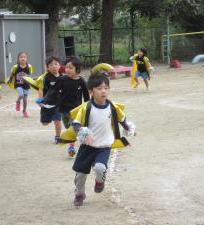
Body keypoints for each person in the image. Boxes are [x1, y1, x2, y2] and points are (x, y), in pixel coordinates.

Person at [58, 71, 136, 206]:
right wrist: (82, 131)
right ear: (91, 91)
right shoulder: (86, 107)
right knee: (80, 174)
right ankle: (80, 193)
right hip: (87, 146)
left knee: (100, 168)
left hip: (104, 147)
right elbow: (76, 123)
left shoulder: (113, 107)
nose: (103, 91)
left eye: (106, 88)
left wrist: (129, 129)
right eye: (99, 88)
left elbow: (122, 120)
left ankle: (100, 181)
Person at [52, 56, 90, 157]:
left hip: (76, 110)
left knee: (74, 127)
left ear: (77, 70)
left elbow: (86, 96)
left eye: (70, 68)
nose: (67, 69)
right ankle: (73, 142)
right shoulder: (62, 79)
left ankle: (72, 146)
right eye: (66, 67)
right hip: (64, 109)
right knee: (68, 127)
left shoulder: (81, 81)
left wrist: (88, 107)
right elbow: (55, 91)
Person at [35, 56, 62, 144]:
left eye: (56, 64)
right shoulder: (46, 78)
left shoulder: (63, 78)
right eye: (51, 65)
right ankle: (48, 118)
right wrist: (40, 100)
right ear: (47, 68)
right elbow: (41, 89)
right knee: (45, 123)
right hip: (47, 104)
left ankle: (58, 137)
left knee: (57, 121)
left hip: (58, 104)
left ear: (59, 65)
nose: (54, 66)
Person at [7, 52, 35, 117]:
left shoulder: (29, 66)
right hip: (18, 84)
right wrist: (9, 81)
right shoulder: (15, 67)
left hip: (26, 85)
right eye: (21, 57)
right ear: (18, 59)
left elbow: (30, 76)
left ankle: (24, 111)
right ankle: (18, 101)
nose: (23, 58)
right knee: (21, 94)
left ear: (26, 58)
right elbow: (12, 75)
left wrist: (32, 83)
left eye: (24, 57)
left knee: (25, 99)